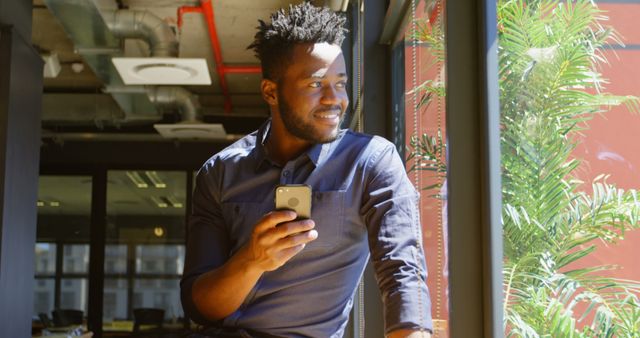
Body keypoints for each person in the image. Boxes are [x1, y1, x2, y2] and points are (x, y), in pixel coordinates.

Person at [181, 2, 433, 337]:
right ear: (271, 91)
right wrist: (252, 260)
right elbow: (201, 307)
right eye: (315, 84)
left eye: (340, 83)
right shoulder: (220, 173)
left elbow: (402, 270)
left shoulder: (371, 161)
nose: (334, 99)